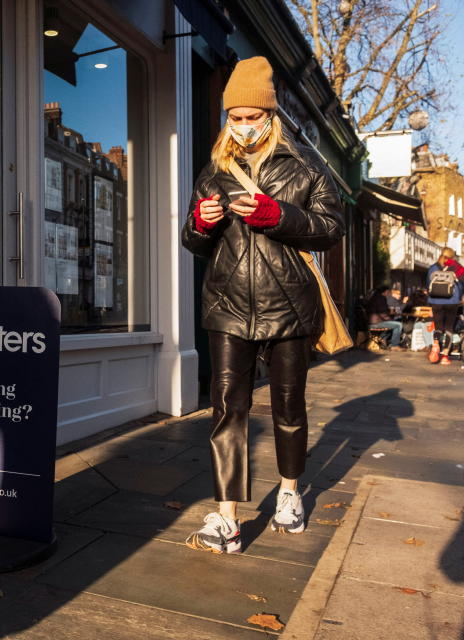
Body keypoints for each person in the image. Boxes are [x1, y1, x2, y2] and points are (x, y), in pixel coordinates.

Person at [180, 56, 344, 554]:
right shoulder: (215, 171)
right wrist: (200, 223)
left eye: (254, 117)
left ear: (271, 117)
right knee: (227, 408)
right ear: (227, 119)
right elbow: (192, 241)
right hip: (227, 304)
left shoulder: (305, 169)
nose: (245, 126)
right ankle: (227, 517)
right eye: (237, 117)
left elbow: (330, 227)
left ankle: (290, 493)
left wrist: (279, 215)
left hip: (288, 305)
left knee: (289, 407)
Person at [425, 247, 464, 365]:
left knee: (438, 326)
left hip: (435, 301)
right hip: (452, 301)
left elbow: (428, 284)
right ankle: (445, 356)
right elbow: (462, 284)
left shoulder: (433, 267)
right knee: (448, 328)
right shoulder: (457, 268)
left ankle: (436, 343)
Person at [366, 285, 405, 350]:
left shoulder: (375, 297)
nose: (388, 293)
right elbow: (382, 314)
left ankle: (382, 340)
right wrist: (390, 319)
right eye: (388, 292)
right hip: (376, 323)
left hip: (374, 321)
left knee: (392, 324)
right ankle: (394, 345)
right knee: (398, 325)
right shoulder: (381, 298)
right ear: (385, 292)